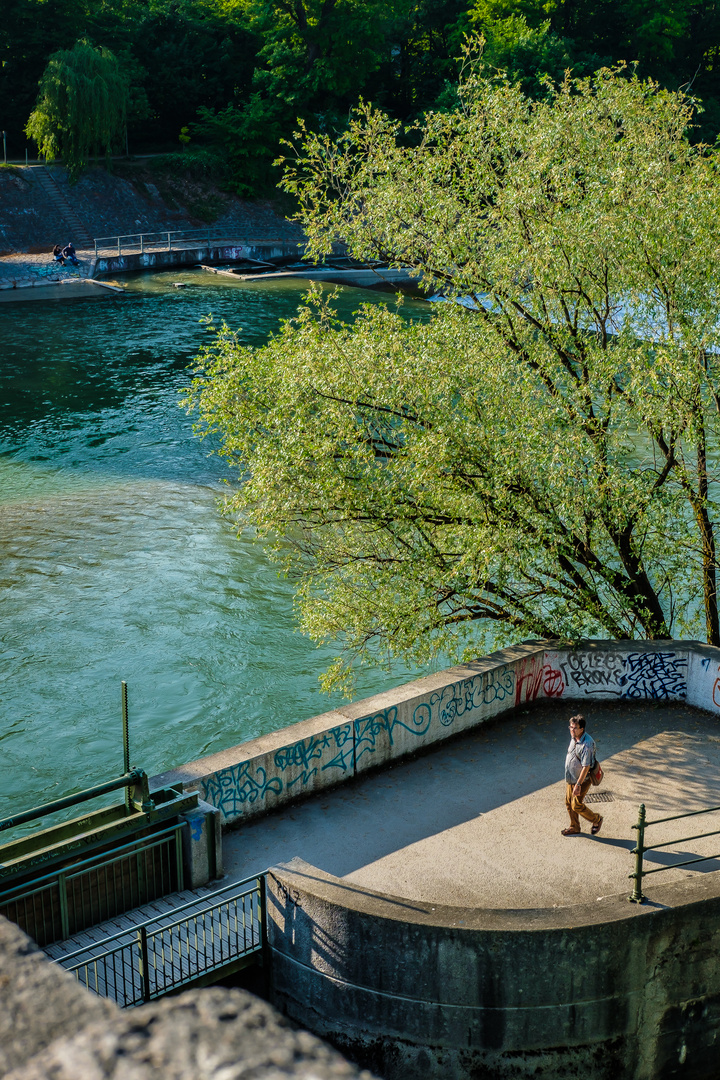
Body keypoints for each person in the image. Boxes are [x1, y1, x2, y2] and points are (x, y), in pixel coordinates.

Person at [562, 713, 603, 836]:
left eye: (575, 728)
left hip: (582, 780)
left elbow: (586, 767)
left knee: (576, 805)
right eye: (570, 727)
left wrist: (578, 784)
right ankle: (574, 826)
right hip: (571, 778)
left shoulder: (587, 744)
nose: (572, 730)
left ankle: (597, 819)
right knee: (568, 802)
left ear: (582, 729)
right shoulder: (574, 737)